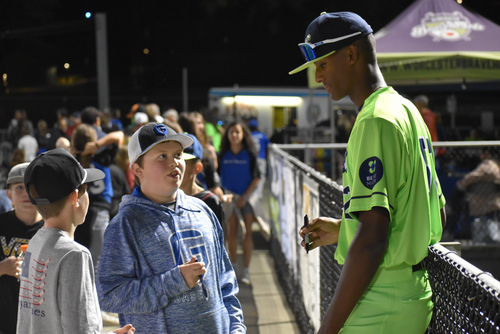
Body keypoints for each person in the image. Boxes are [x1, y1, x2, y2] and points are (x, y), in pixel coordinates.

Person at [291, 12, 446, 333]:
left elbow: (373, 240)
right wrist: (345, 230)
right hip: (411, 292)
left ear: (351, 54)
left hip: (381, 299)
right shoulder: (406, 109)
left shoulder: (375, 119)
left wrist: (328, 328)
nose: (318, 76)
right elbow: (438, 214)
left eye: (322, 64)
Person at [96, 122, 246, 333]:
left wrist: (236, 327)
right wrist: (174, 281)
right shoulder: (126, 223)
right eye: (162, 156)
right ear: (137, 169)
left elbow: (226, 281)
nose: (174, 162)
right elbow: (109, 295)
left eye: (177, 154)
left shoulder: (202, 211)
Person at [16, 149, 135, 334]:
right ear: (75, 198)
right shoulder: (75, 254)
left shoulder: (34, 242)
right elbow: (81, 329)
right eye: (85, 190)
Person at [71, 124, 124, 275]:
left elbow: (59, 144)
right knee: (98, 261)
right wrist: (97, 145)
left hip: (78, 211)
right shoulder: (103, 157)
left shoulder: (73, 160)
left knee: (80, 258)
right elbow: (119, 135)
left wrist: (73, 149)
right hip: (100, 211)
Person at [0, 163, 44, 334]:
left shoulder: (53, 229)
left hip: (39, 325)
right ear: (9, 194)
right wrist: (2, 268)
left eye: (32, 187)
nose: (26, 193)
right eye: (19, 187)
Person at [218, 121, 260, 285]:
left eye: (237, 132)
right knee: (231, 232)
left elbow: (257, 177)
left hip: (246, 198)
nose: (234, 135)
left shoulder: (249, 154)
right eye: (231, 132)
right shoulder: (223, 154)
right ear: (227, 135)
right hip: (229, 199)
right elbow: (217, 178)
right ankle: (233, 268)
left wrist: (245, 196)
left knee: (248, 233)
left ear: (243, 134)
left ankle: (247, 270)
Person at [180, 134, 225, 234]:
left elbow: (219, 244)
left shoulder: (210, 202)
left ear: (197, 168)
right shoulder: (163, 199)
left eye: (183, 162)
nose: (177, 166)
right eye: (175, 158)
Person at [455, 147, 500, 243]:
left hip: (485, 202)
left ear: (486, 154)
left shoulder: (489, 166)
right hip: (487, 201)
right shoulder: (495, 166)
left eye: (481, 153)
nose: (480, 156)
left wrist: (461, 184)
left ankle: (451, 227)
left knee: (457, 196)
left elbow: (471, 177)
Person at [247, 118, 270, 199]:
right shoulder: (262, 135)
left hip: (251, 159)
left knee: (252, 176)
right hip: (261, 158)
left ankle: (251, 193)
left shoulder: (248, 135)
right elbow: (269, 145)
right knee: (261, 176)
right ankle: (259, 194)